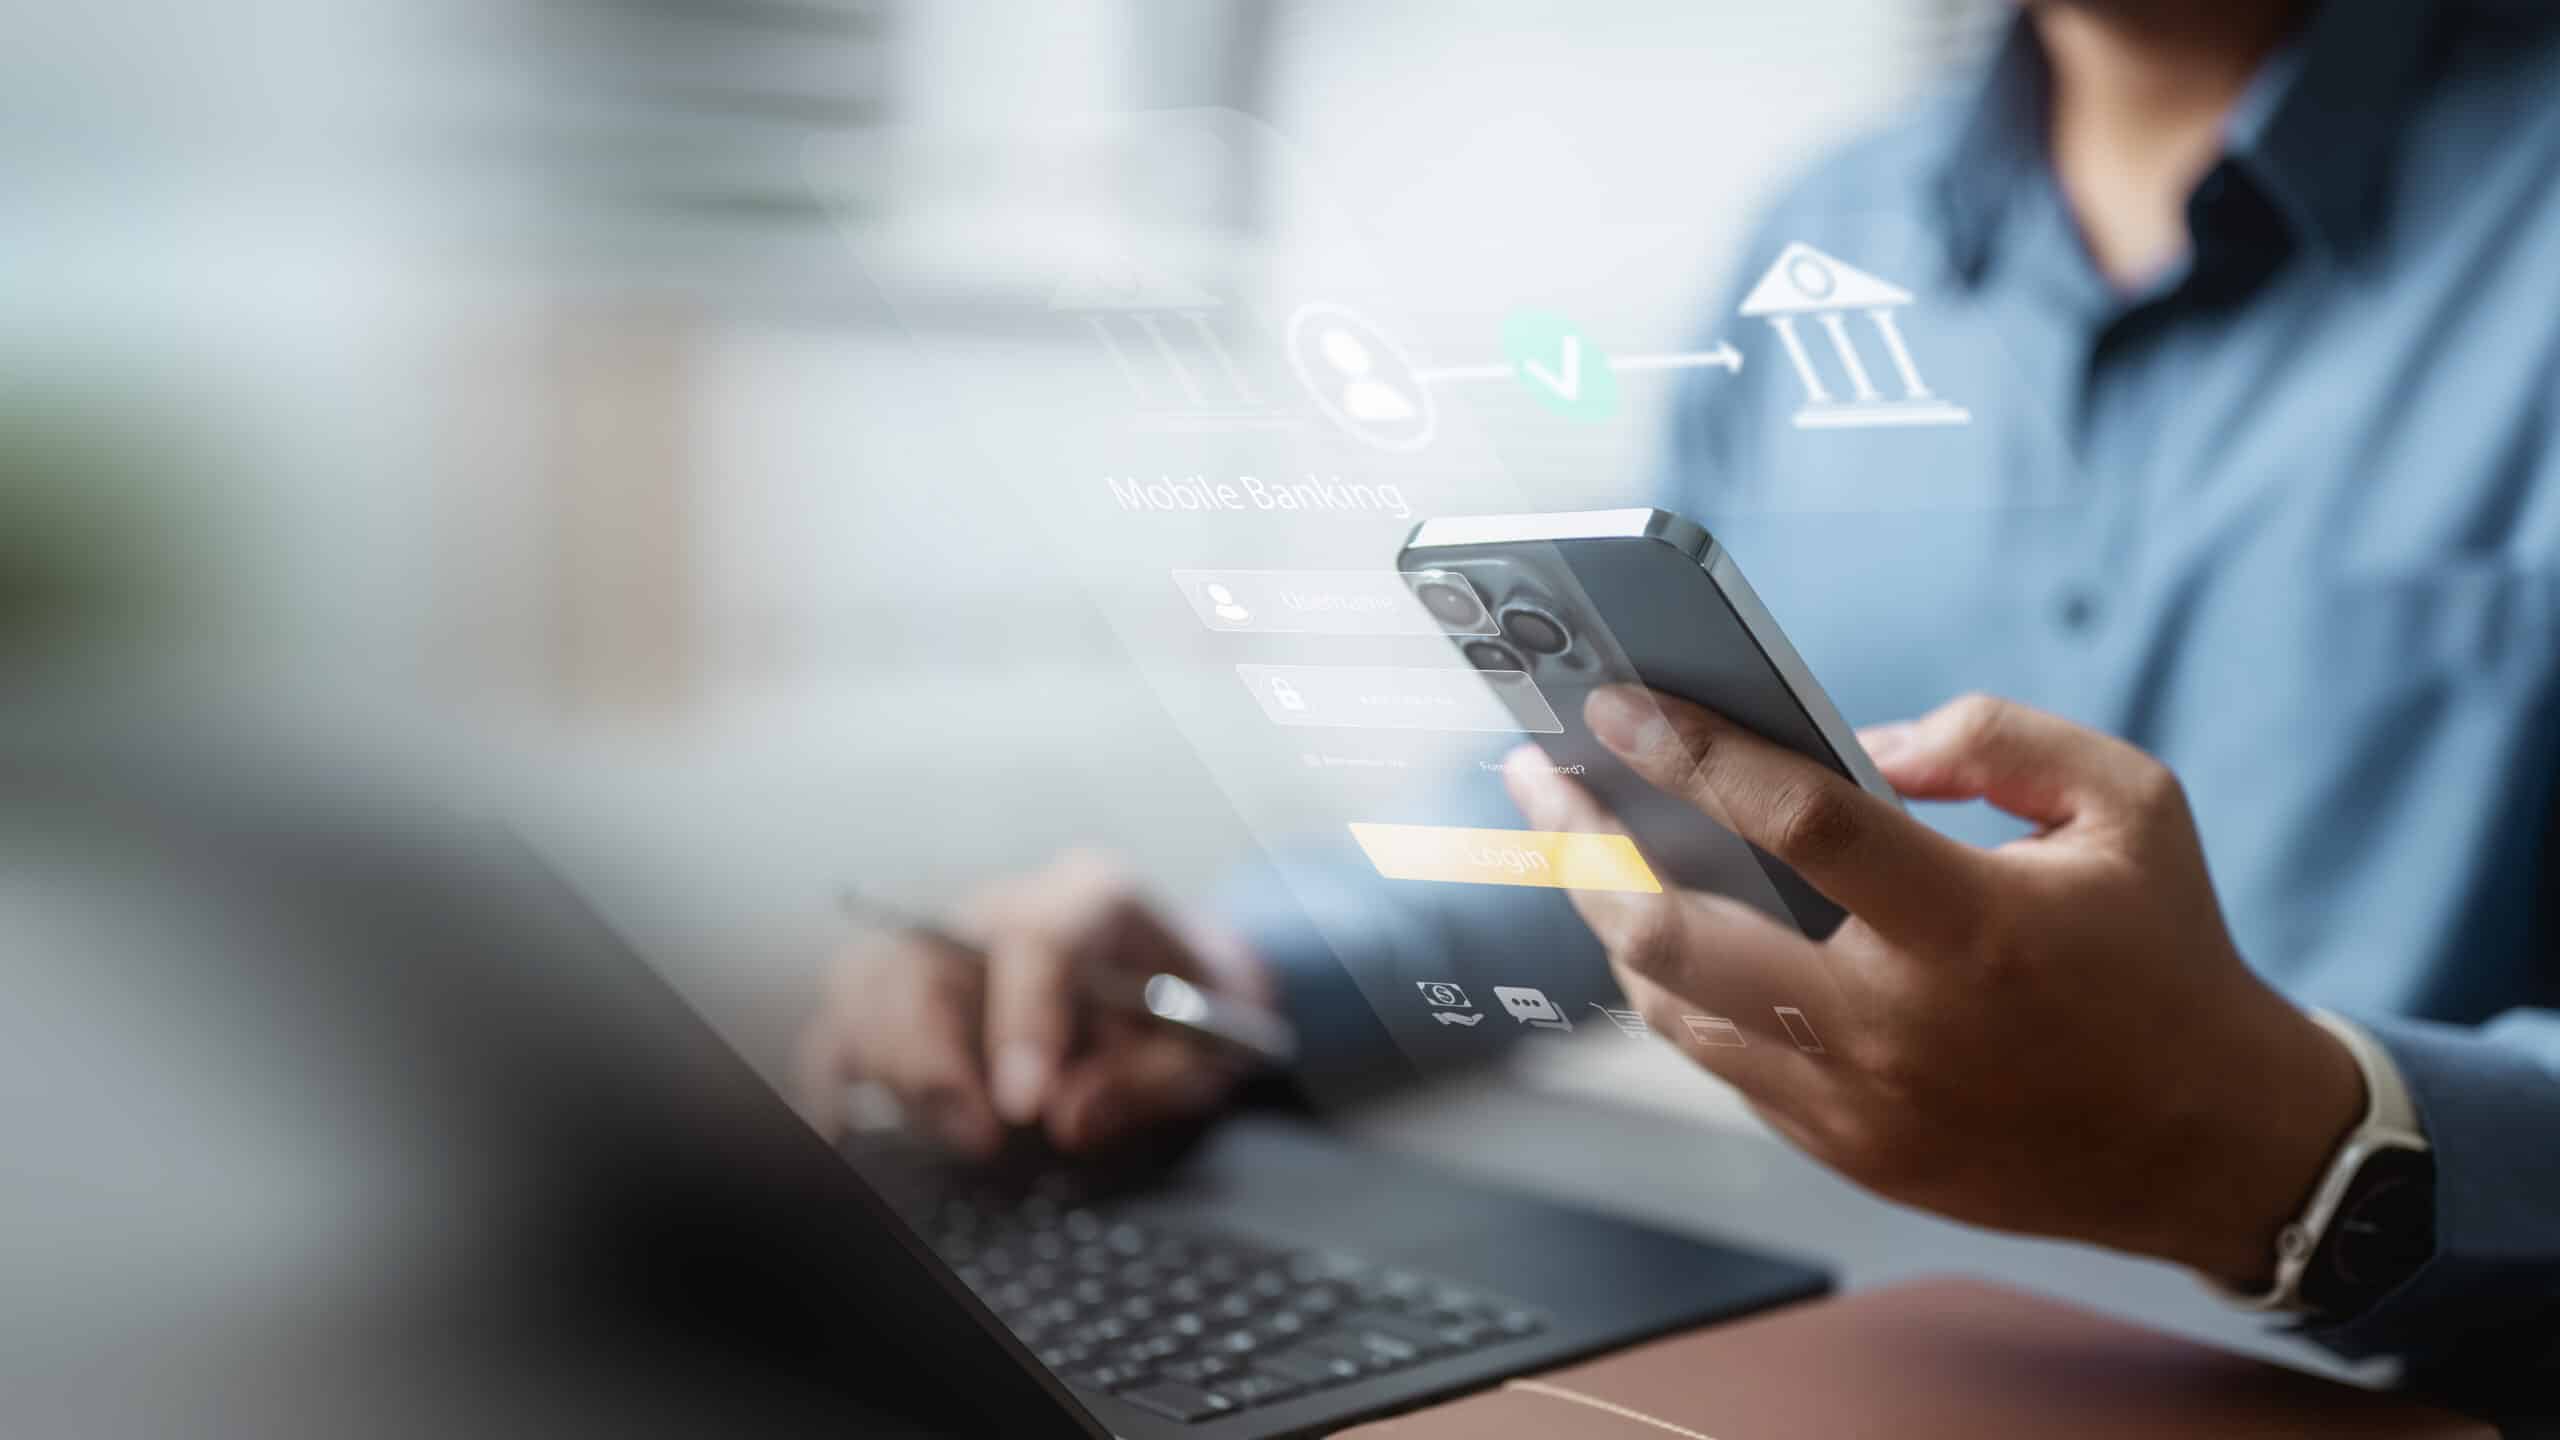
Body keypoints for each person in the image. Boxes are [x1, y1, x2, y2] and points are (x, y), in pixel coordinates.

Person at [801, 0, 2560, 1387]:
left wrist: (2291, 1144)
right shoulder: (1828, 235)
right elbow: (1633, 827)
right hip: (1854, 1341)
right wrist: (1213, 970)